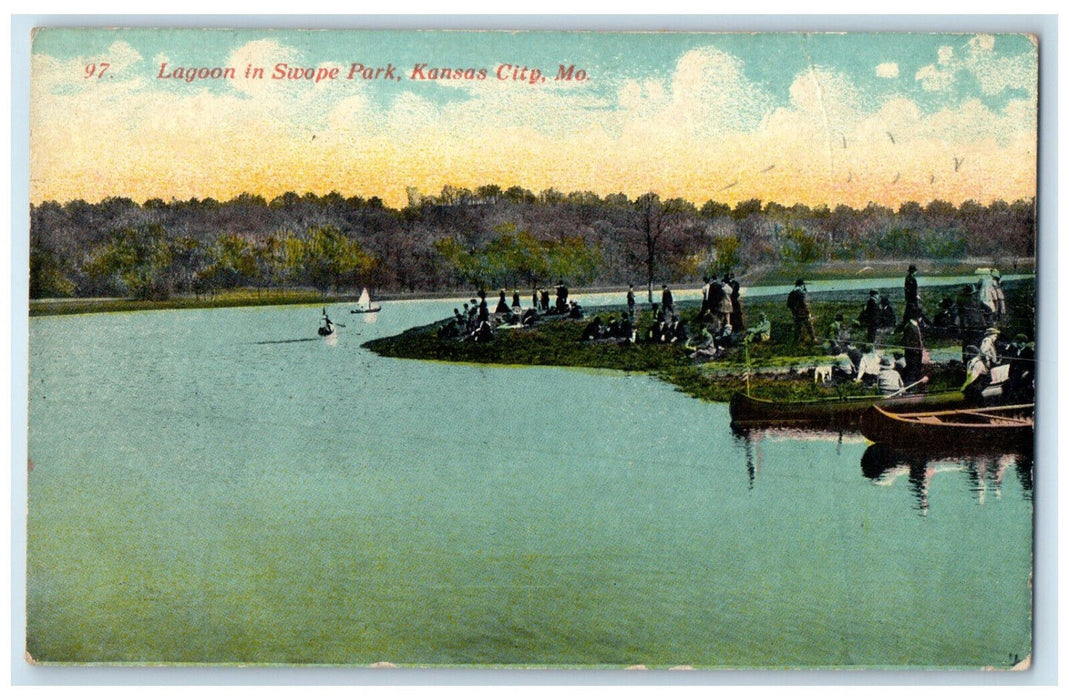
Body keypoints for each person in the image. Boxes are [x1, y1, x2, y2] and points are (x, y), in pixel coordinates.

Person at [786, 278, 815, 345]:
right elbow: (804, 303)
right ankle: (813, 339)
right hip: (803, 313)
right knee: (809, 326)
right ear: (802, 285)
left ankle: (796, 342)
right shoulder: (801, 293)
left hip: (795, 313)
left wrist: (794, 310)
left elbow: (788, 304)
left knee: (798, 328)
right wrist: (807, 312)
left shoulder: (791, 293)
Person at [901, 317, 924, 384]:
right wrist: (915, 350)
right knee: (911, 370)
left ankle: (917, 384)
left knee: (917, 369)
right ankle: (911, 386)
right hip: (912, 353)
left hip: (918, 352)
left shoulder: (916, 326)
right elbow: (907, 342)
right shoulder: (909, 327)